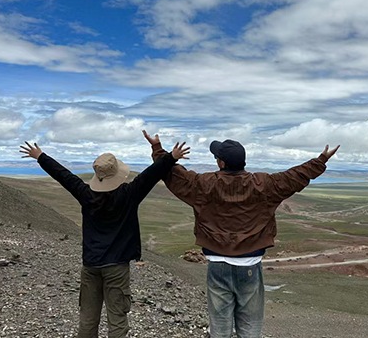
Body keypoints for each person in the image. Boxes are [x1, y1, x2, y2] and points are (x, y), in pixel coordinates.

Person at [143, 130, 339, 338]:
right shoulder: (264, 185)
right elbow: (295, 177)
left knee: (219, 325)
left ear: (221, 163)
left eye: (217, 157)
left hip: (217, 263)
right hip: (250, 265)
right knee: (250, 325)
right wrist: (321, 160)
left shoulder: (204, 184)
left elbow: (173, 175)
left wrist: (158, 149)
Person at [19, 136, 190, 338]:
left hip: (91, 264)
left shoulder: (85, 194)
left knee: (88, 319)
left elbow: (64, 176)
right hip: (116, 266)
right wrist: (171, 156)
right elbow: (151, 175)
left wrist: (40, 156)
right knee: (117, 319)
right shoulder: (129, 193)